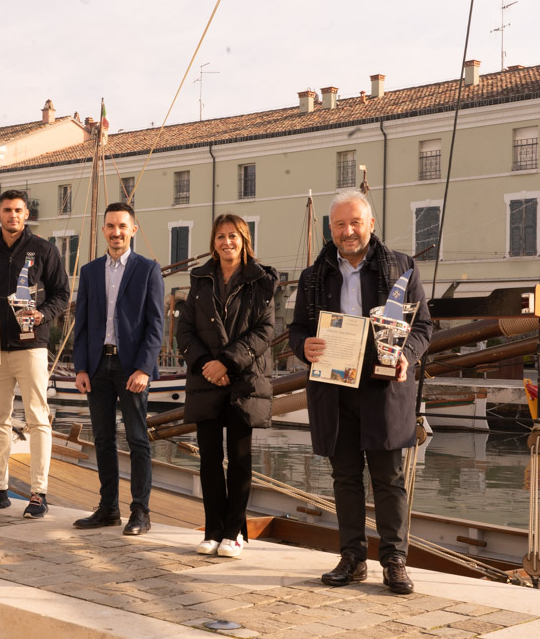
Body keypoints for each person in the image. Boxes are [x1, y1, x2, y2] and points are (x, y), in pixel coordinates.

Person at [289, 191, 432, 594]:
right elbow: (297, 330)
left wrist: (408, 356)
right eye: (339, 224)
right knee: (346, 478)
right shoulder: (313, 276)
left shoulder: (402, 268)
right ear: (330, 229)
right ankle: (352, 558)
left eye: (355, 223)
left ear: (370, 224)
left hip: (384, 389)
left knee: (388, 479)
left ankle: (394, 561)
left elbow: (423, 327)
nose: (348, 231)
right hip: (334, 391)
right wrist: (304, 347)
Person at [0, 189, 70, 518]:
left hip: (31, 345)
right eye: (7, 210)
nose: (13, 216)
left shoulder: (44, 250)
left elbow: (62, 294)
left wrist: (43, 315)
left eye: (18, 210)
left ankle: (39, 494)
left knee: (38, 418)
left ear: (26, 215)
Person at [176, 214, 277, 558]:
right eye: (220, 236)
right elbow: (185, 330)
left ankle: (235, 532)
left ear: (244, 240)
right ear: (213, 242)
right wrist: (207, 365)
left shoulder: (261, 281)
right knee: (208, 460)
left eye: (233, 236)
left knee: (239, 459)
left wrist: (229, 362)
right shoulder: (200, 280)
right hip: (207, 381)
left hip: (244, 381)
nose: (226, 242)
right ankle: (213, 529)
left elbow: (265, 330)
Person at [71, 202, 164, 536]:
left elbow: (156, 325)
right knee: (102, 439)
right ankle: (108, 508)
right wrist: (80, 366)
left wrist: (143, 368)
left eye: (122, 226)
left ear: (133, 230)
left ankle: (140, 511)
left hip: (131, 369)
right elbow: (80, 324)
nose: (116, 232)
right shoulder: (91, 271)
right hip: (97, 367)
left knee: (138, 439)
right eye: (110, 226)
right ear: (103, 230)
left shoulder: (148, 270)